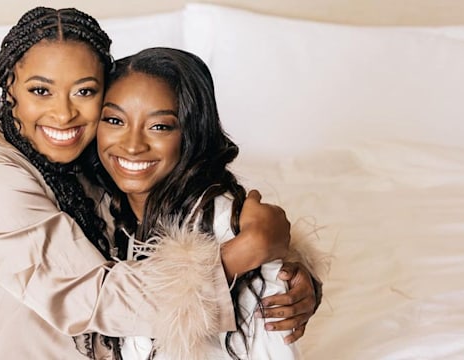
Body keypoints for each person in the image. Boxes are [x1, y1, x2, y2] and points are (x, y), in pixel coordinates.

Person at [0, 7, 320, 359]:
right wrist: (243, 253)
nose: (64, 113)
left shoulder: (88, 170)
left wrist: (286, 280)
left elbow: (166, 229)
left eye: (84, 91)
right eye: (40, 90)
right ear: (7, 87)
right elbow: (96, 298)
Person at [93, 47, 327, 359]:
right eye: (114, 120)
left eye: (160, 126)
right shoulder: (95, 206)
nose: (133, 145)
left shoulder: (228, 227)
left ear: (191, 133)